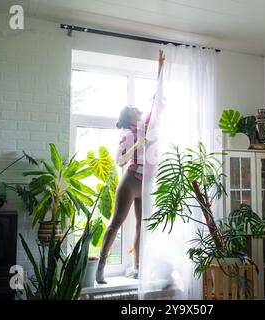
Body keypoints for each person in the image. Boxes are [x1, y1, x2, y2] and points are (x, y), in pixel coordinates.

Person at [96, 50, 165, 284]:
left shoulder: (146, 124)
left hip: (146, 183)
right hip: (130, 181)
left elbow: (158, 97)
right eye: (135, 108)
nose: (140, 109)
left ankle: (137, 268)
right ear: (129, 116)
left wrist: (161, 67)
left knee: (142, 225)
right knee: (116, 222)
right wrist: (137, 144)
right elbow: (120, 160)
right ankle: (100, 268)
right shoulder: (128, 133)